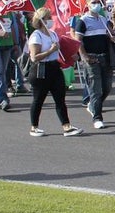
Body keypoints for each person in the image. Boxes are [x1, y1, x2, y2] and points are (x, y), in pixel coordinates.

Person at [26, 8, 82, 137]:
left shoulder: (53, 34)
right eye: (48, 18)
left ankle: (66, 126)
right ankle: (34, 127)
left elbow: (61, 52)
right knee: (38, 99)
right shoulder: (36, 35)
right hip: (41, 70)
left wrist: (71, 56)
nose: (51, 20)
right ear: (41, 20)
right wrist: (50, 51)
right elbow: (34, 57)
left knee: (60, 99)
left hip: (54, 68)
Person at [72, 0, 115, 129]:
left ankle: (93, 105)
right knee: (95, 89)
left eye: (98, 2)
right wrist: (84, 57)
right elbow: (78, 41)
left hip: (105, 57)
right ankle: (97, 117)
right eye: (93, 2)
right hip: (91, 58)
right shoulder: (82, 21)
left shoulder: (103, 20)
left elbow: (110, 34)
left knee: (107, 88)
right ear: (87, 5)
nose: (97, 5)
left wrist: (112, 37)